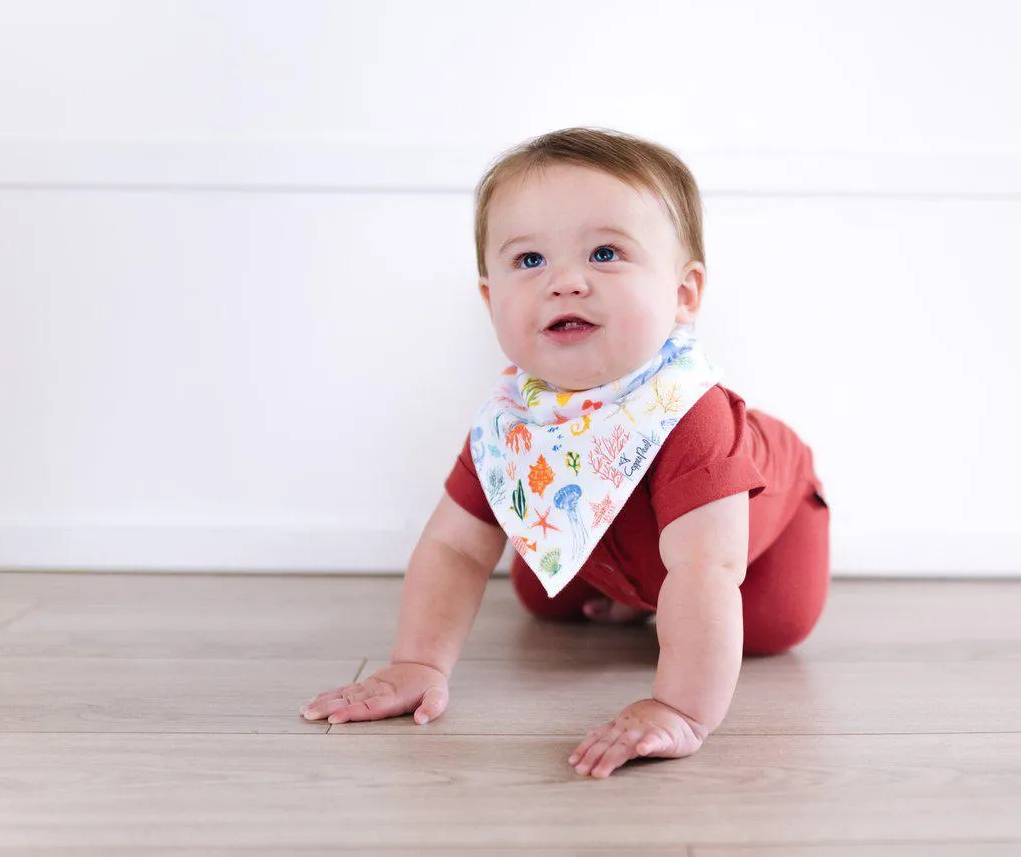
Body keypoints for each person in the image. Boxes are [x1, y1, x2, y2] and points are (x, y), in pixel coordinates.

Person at [301, 127, 830, 779]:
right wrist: (419, 661)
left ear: (684, 293)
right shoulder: (514, 421)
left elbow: (708, 568)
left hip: (757, 531)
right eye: (529, 261)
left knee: (775, 623)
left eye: (605, 252)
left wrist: (680, 707)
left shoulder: (691, 411)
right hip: (637, 542)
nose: (567, 282)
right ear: (492, 299)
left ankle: (650, 598)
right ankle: (637, 594)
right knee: (542, 591)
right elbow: (456, 547)